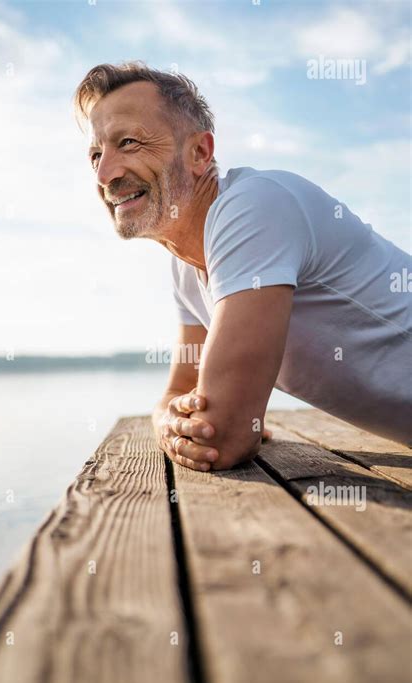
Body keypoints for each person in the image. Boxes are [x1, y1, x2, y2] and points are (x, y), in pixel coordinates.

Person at [74, 61, 412, 471]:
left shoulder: (253, 207)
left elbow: (225, 437)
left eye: (128, 142)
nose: (105, 174)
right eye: (95, 154)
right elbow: (180, 393)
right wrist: (168, 421)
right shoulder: (186, 267)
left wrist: (212, 418)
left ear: (200, 152)